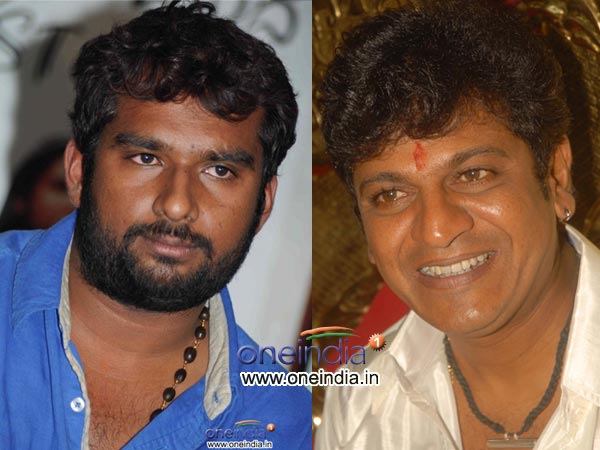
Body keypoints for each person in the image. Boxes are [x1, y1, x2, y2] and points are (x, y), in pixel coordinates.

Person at [0, 2, 311, 449]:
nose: (178, 205)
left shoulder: (279, 421)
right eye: (147, 158)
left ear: (263, 204)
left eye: (219, 170)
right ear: (79, 172)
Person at [315, 1, 600, 449]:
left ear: (555, 176)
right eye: (390, 195)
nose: (436, 228)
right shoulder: (359, 401)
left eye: (473, 174)